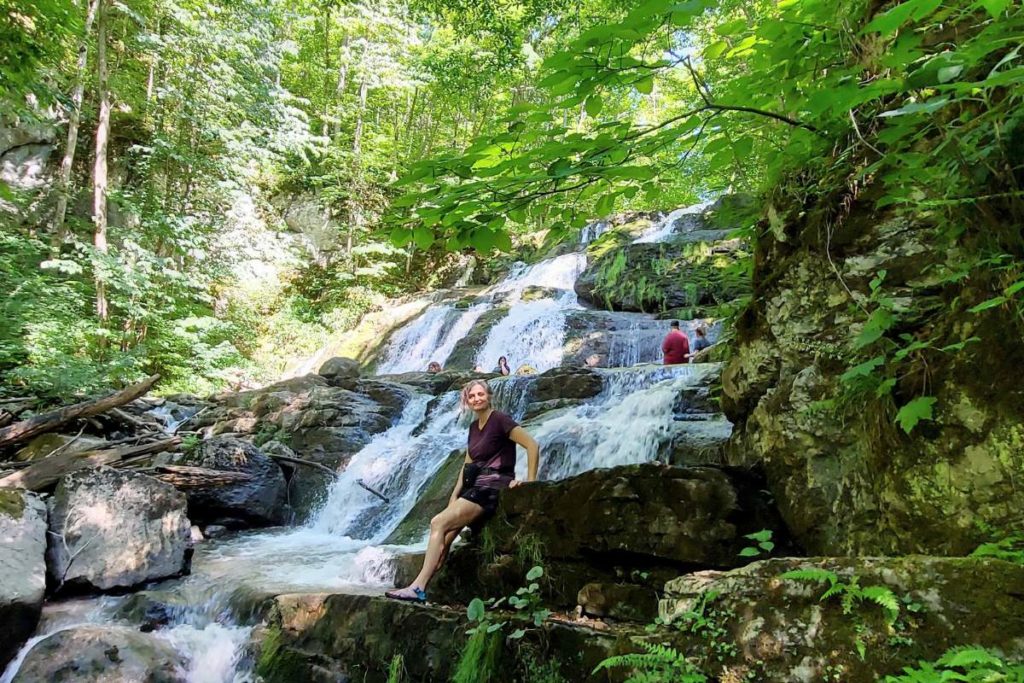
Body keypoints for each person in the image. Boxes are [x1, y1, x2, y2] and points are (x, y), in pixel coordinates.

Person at [385, 379, 540, 603]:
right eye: (472, 396)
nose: (477, 399)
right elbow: (468, 463)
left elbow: (532, 445)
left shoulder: (500, 420)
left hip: (493, 486)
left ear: (489, 396)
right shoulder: (473, 428)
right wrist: (454, 494)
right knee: (443, 544)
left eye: (480, 394)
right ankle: (425, 587)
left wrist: (530, 482)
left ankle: (417, 587)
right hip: (474, 488)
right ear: (467, 401)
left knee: (437, 523)